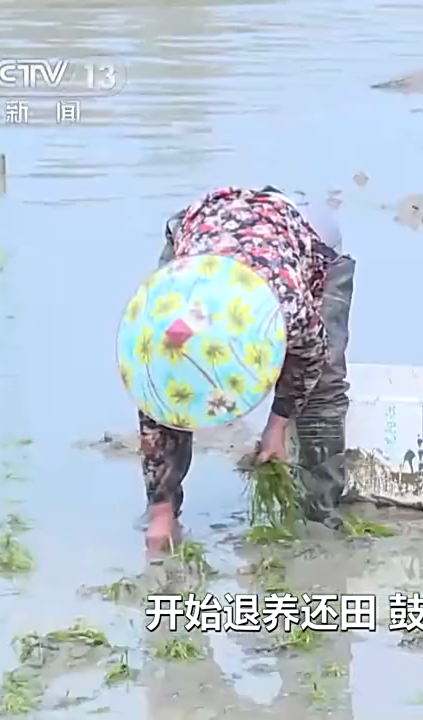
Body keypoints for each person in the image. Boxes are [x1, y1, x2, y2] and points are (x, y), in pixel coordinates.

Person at [124, 186, 355, 553]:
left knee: (323, 386)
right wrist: (161, 513)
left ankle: (319, 513)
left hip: (306, 239)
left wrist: (276, 426)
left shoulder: (289, 307)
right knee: (171, 388)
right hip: (202, 227)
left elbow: (310, 360)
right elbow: (157, 399)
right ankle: (164, 505)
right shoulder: (165, 317)